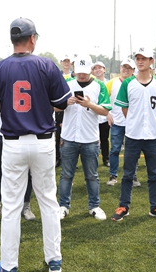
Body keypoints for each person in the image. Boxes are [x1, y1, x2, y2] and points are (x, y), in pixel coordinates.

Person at [0, 17, 69, 272]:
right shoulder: (47, 65)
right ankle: (54, 261)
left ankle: (10, 266)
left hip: (13, 143)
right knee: (48, 202)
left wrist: (4, 99)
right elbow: (61, 103)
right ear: (32, 38)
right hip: (43, 142)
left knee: (12, 206)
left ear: (13, 39)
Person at [111, 47, 156, 222]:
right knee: (128, 173)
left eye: (144, 58)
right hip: (133, 135)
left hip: (153, 135)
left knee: (154, 174)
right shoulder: (128, 83)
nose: (140, 61)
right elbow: (124, 107)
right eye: (138, 58)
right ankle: (124, 206)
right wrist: (135, 122)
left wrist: (149, 121)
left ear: (151, 61)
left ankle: (155, 207)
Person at [58, 55, 111, 221]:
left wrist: (89, 105)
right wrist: (66, 102)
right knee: (66, 175)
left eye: (84, 72)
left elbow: (105, 110)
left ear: (91, 70)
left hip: (90, 138)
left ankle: (94, 205)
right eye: (78, 72)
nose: (81, 75)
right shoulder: (66, 84)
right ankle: (63, 206)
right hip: (69, 137)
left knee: (92, 175)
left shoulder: (99, 86)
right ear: (74, 70)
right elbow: (54, 106)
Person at [106, 59, 136, 186]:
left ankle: (132, 175)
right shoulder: (112, 83)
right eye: (124, 67)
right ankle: (113, 175)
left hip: (132, 123)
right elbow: (104, 100)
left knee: (132, 151)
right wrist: (107, 113)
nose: (126, 69)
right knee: (115, 150)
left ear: (133, 70)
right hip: (117, 122)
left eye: (129, 68)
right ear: (120, 68)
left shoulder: (136, 83)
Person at [92, 61, 110, 167]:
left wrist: (109, 114)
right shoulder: (91, 82)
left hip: (104, 116)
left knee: (104, 139)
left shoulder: (109, 83)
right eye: (95, 68)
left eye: (100, 68)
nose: (98, 70)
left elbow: (110, 101)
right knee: (93, 140)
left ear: (104, 69)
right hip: (93, 116)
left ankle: (106, 159)